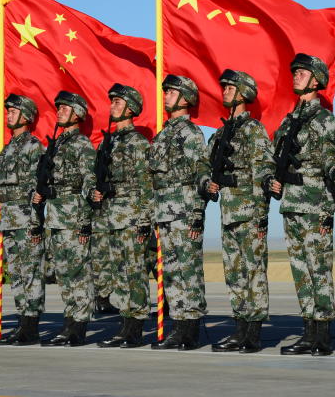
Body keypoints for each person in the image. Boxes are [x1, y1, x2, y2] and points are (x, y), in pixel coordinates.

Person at [271, 54, 335, 356]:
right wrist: (273, 180)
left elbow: (332, 163)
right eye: (295, 72)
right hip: (291, 204)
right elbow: (277, 159)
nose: (296, 76)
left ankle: (322, 334)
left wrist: (330, 205)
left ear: (316, 80)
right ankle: (308, 330)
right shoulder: (289, 120)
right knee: (301, 272)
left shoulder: (324, 120)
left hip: (315, 204)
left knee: (318, 270)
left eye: (302, 73)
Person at [207, 70, 273, 354]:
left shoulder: (253, 130)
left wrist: (260, 215)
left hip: (249, 211)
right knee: (234, 273)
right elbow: (205, 163)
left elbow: (263, 173)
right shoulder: (221, 133)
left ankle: (253, 333)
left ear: (244, 93)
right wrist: (207, 181)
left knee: (253, 272)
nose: (225, 92)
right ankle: (239, 327)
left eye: (230, 88)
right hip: (228, 211)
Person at [148, 75, 211, 350]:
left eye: (172, 92)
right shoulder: (162, 135)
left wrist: (198, 211)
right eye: (166, 92)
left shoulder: (191, 133)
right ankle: (177, 325)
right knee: (171, 272)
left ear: (185, 99)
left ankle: (190, 330)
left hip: (185, 210)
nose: (166, 96)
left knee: (188, 271)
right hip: (163, 212)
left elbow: (201, 172)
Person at [35, 91, 96, 346]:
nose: (58, 111)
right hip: (56, 216)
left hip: (73, 216)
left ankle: (78, 326)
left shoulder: (81, 145)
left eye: (64, 108)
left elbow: (89, 182)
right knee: (63, 274)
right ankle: (69, 319)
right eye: (58, 108)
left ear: (77, 114)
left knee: (78, 272)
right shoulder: (56, 144)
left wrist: (84, 220)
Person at [95, 84, 153, 349]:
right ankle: (124, 323)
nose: (113, 106)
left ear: (130, 109)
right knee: (119, 274)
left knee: (134, 272)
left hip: (131, 216)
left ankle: (135, 328)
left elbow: (145, 184)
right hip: (111, 216)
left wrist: (144, 219)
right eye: (112, 102)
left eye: (118, 102)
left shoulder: (137, 142)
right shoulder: (108, 143)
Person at [0, 94, 45, 346]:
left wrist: (36, 221)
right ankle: (21, 320)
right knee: (14, 273)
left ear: (26, 117)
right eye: (8, 111)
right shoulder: (6, 149)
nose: (9, 115)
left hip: (26, 220)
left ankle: (31, 325)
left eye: (14, 112)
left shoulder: (33, 146)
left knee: (31, 272)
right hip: (8, 221)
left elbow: (38, 187)